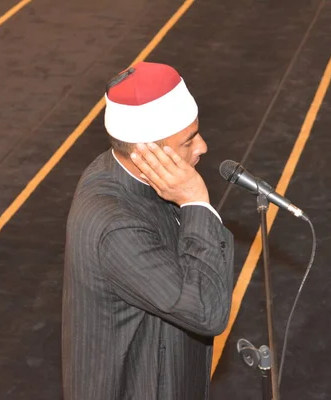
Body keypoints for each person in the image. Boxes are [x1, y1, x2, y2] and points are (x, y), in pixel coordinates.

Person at [62, 62, 235, 400]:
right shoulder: (116, 227)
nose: (202, 147)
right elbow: (207, 311)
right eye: (188, 141)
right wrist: (197, 202)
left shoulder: (125, 169)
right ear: (146, 153)